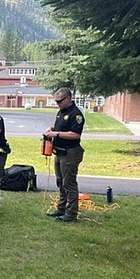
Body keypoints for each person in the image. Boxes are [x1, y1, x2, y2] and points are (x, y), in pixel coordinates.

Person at [43, 87, 85, 222]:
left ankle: (71, 213)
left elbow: (75, 134)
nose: (58, 104)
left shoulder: (76, 114)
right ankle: (61, 208)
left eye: (60, 101)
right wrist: (52, 129)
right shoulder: (61, 112)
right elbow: (61, 127)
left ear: (68, 98)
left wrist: (56, 134)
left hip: (70, 153)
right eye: (56, 101)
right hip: (59, 152)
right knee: (60, 182)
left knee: (69, 183)